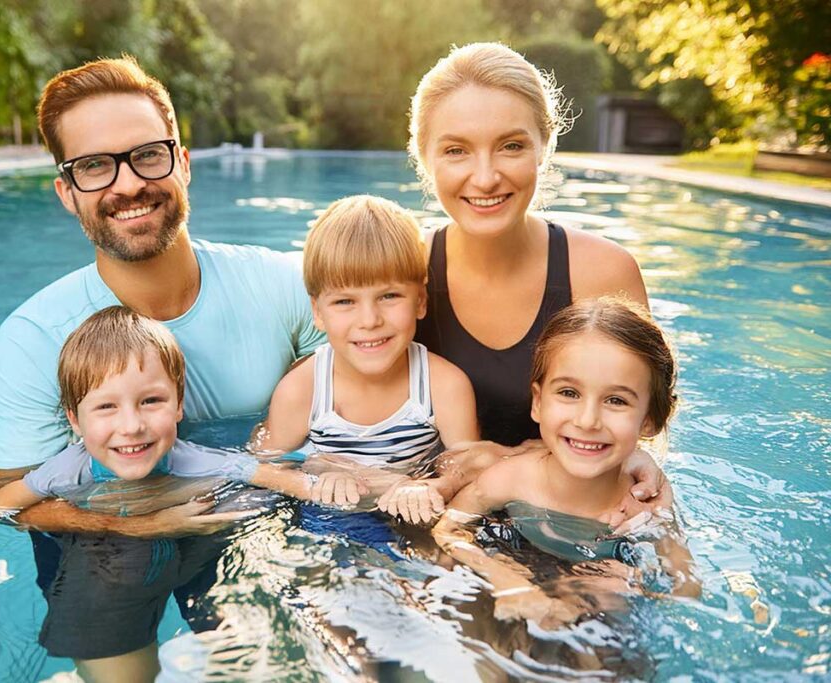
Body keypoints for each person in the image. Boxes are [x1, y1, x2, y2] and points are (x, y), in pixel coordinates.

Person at [0, 56, 323, 659]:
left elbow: (365, 393)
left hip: (248, 504)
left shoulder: (281, 287)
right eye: (94, 167)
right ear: (66, 192)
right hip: (110, 530)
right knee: (116, 590)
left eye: (147, 155)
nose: (127, 184)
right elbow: (4, 495)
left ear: (183, 162)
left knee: (284, 649)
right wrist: (140, 523)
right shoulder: (31, 341)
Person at [0, 307, 318, 681]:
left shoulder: (193, 459)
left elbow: (272, 476)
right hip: (109, 544)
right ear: (75, 420)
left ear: (178, 405)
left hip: (190, 537)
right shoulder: (68, 470)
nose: (132, 426)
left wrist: (345, 488)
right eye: (106, 408)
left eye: (151, 401)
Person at [407, 42, 664, 508]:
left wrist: (639, 460)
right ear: (424, 157)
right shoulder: (403, 271)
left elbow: (638, 419)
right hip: (430, 508)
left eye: (511, 146)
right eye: (456, 150)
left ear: (545, 148)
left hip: (562, 513)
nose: (485, 178)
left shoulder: (602, 272)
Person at [432, 298, 699, 629]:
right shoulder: (512, 479)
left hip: (600, 600)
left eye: (616, 400)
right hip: (517, 573)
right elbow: (449, 529)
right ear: (538, 402)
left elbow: (686, 588)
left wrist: (636, 585)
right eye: (569, 393)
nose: (588, 420)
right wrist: (505, 578)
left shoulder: (644, 506)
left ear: (650, 421)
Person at [255, 194, 480, 526]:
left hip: (408, 519)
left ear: (420, 300)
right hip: (326, 518)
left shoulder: (443, 385)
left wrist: (428, 488)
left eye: (389, 296)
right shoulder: (303, 390)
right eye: (345, 301)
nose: (370, 320)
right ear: (317, 312)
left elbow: (470, 469)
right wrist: (316, 479)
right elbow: (261, 468)